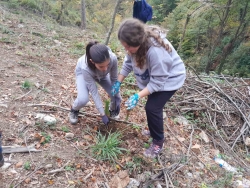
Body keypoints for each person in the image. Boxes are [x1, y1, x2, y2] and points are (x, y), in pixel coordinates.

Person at [111, 18, 186, 158]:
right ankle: (153, 130)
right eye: (124, 46)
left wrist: (137, 95)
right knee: (151, 105)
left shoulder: (156, 52)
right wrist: (118, 82)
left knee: (152, 108)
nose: (127, 50)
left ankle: (158, 141)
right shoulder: (134, 48)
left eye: (128, 47)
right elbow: (128, 63)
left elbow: (158, 82)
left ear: (138, 41)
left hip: (170, 80)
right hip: (155, 78)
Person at [69, 41, 121, 125]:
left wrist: (117, 97)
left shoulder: (113, 58)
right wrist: (102, 114)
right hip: (84, 74)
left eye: (107, 65)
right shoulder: (85, 67)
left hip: (102, 75)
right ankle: (74, 110)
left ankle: (113, 110)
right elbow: (94, 92)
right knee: (83, 99)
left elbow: (114, 79)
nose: (105, 68)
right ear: (92, 61)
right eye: (101, 66)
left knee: (115, 94)